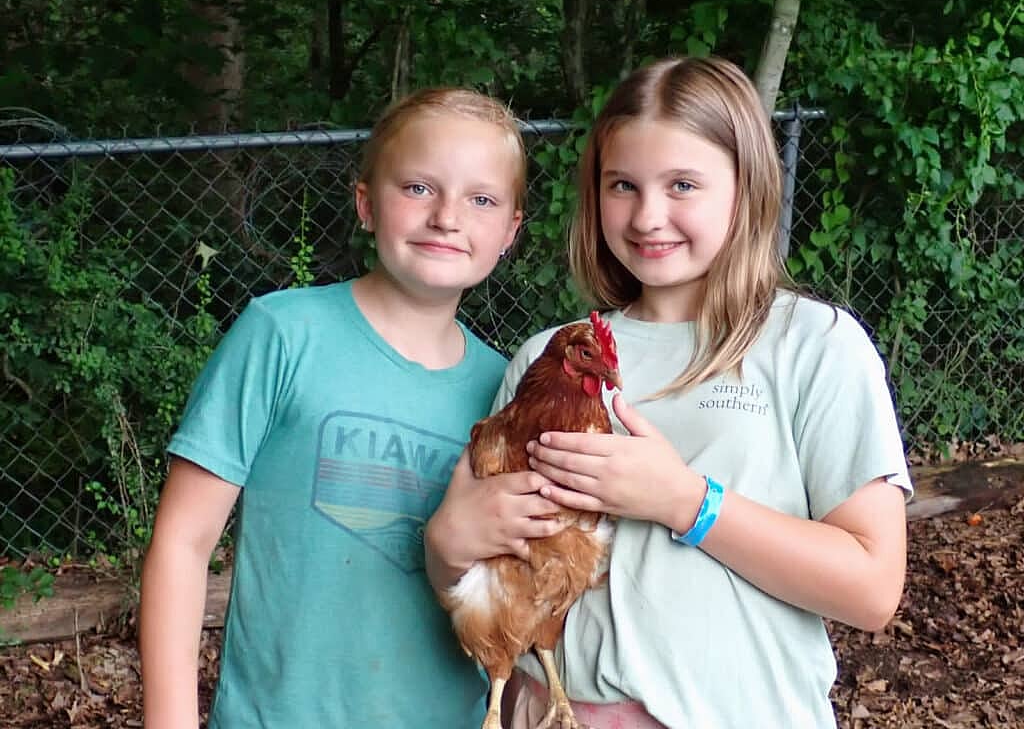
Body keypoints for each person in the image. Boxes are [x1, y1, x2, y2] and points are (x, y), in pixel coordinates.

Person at [425, 56, 913, 728]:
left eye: (683, 184)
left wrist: (686, 502)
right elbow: (483, 572)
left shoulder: (813, 344)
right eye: (622, 185)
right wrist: (447, 546)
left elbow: (872, 589)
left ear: (747, 188)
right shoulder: (550, 357)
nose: (649, 215)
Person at [138, 87, 534, 728]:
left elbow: (517, 593)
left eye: (481, 199)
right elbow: (182, 543)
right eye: (418, 188)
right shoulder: (283, 333)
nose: (446, 217)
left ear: (510, 232)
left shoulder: (508, 391)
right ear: (366, 204)